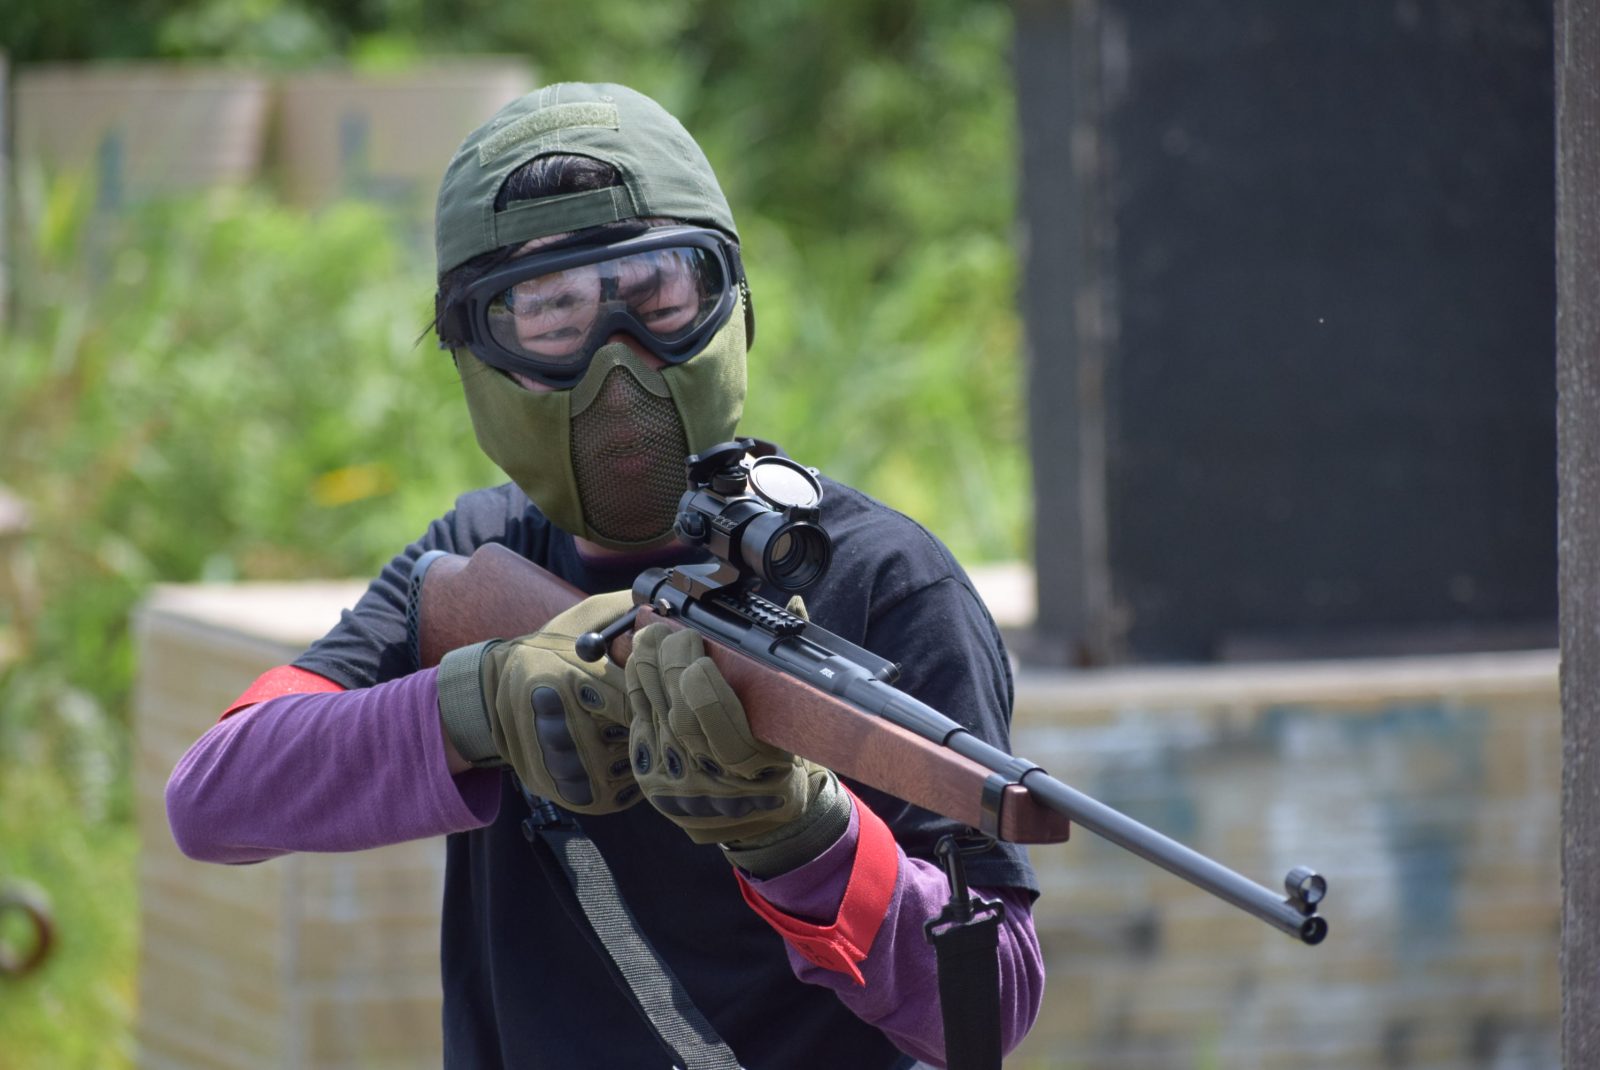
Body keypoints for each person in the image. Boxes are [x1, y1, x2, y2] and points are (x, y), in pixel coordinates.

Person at [166, 82, 1044, 1069]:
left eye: (660, 295)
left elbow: (990, 1007)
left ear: (731, 304)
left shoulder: (885, 581)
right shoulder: (482, 547)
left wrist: (806, 839)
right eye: (552, 312)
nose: (617, 364)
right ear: (473, 353)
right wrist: (481, 704)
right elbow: (213, 796)